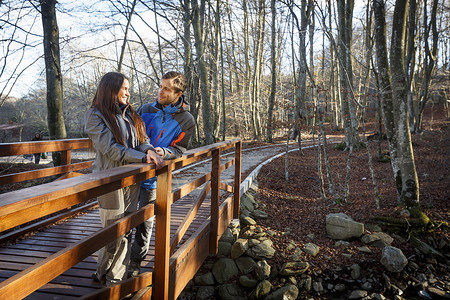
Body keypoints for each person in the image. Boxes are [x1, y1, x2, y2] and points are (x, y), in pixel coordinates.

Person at [84, 71, 163, 286]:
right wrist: (143, 156)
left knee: (126, 229)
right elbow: (110, 149)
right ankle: (109, 276)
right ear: (111, 89)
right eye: (124, 89)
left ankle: (110, 276)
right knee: (113, 232)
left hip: (131, 180)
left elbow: (142, 139)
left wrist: (149, 150)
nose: (128, 93)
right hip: (109, 182)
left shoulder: (130, 114)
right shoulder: (95, 115)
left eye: (128, 88)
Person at [128, 71, 195, 277]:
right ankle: (117, 263)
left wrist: (164, 152)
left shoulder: (186, 120)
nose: (161, 91)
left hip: (155, 178)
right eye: (160, 86)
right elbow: (131, 136)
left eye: (166, 88)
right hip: (131, 172)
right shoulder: (144, 109)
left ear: (178, 93)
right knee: (123, 220)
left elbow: (179, 150)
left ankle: (135, 263)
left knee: (144, 222)